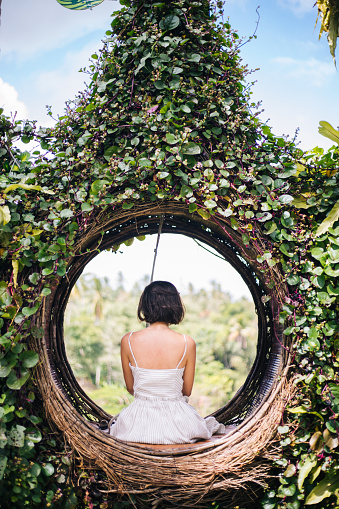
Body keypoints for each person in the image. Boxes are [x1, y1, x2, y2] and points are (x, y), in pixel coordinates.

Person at [109, 280, 235, 444]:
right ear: (175, 306)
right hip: (178, 422)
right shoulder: (187, 342)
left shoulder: (128, 340)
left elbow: (131, 388)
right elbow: (186, 391)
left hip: (138, 422)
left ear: (145, 306)